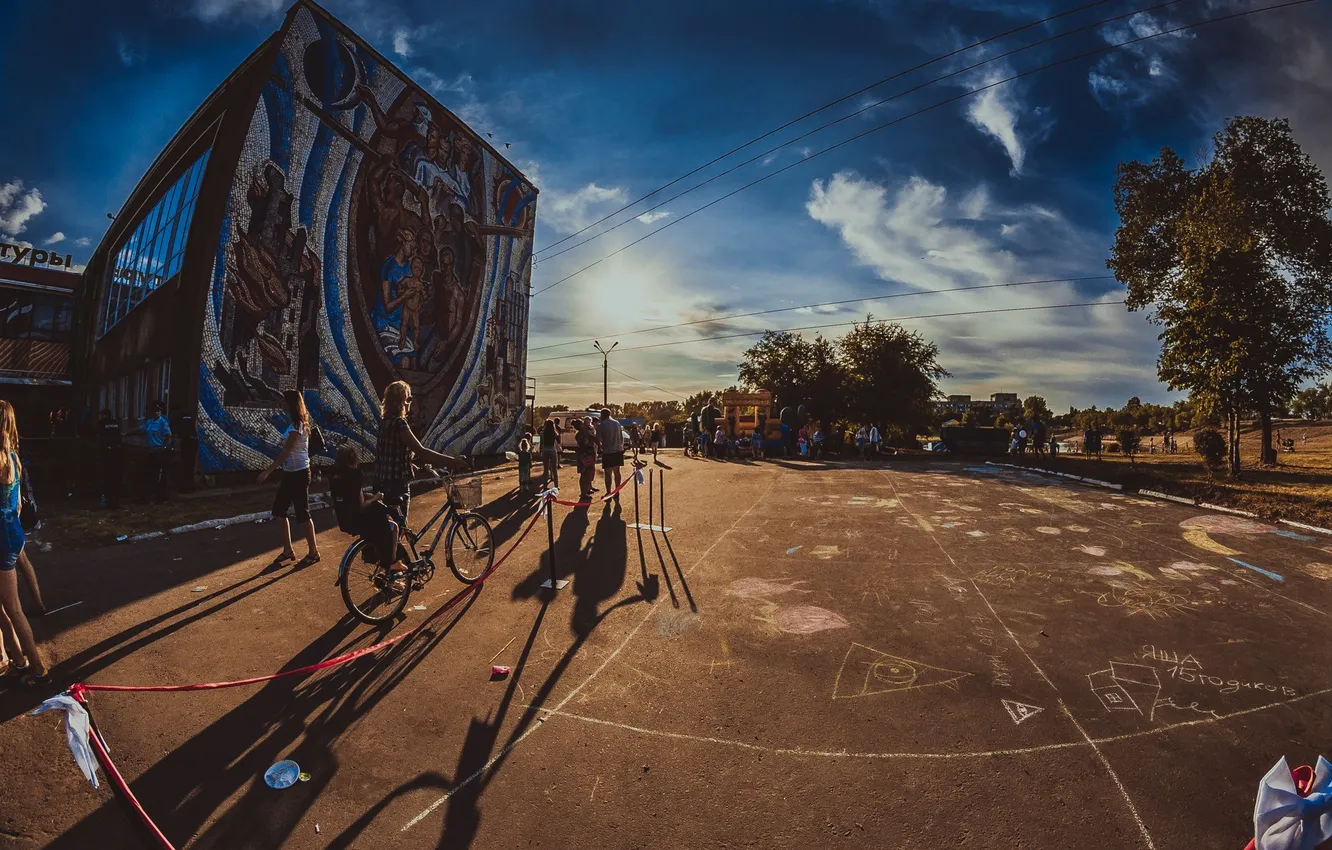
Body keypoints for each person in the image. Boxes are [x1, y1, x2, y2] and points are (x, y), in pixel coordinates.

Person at [0, 400, 49, 685]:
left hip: (2, 539)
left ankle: (38, 670)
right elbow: (17, 504)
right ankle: (18, 658)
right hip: (11, 532)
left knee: (13, 607)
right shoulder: (14, 458)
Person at [373, 380, 467, 528]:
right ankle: (395, 551)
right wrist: (452, 461)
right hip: (396, 486)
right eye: (409, 399)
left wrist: (412, 466)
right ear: (401, 401)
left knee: (385, 529)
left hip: (379, 484)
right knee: (399, 528)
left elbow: (390, 453)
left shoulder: (384, 423)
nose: (410, 403)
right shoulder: (399, 424)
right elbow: (421, 451)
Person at [257, 391, 321, 565]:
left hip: (299, 474)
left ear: (291, 404)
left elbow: (286, 452)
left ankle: (314, 551)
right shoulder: (293, 425)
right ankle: (288, 549)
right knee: (279, 511)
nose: (282, 404)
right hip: (290, 473)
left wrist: (267, 471)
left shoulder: (298, 426)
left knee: (303, 513)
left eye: (284, 402)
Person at [329, 445, 402, 577]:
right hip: (359, 519)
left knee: (374, 527)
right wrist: (376, 497)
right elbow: (362, 504)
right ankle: (391, 562)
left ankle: (370, 554)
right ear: (354, 460)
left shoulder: (335, 476)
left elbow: (350, 496)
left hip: (345, 520)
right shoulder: (355, 475)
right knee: (393, 526)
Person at [140, 400, 173, 502]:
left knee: (160, 474)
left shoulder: (163, 422)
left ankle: (161, 496)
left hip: (159, 451)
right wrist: (127, 433)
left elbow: (168, 435)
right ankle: (152, 495)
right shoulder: (150, 421)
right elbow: (141, 429)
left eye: (158, 411)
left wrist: (163, 447)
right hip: (152, 450)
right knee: (151, 473)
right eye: (154, 410)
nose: (156, 412)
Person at [96, 408, 124, 509]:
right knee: (116, 477)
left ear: (104, 415)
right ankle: (116, 500)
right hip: (117, 452)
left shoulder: (101, 424)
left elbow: (98, 436)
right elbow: (119, 436)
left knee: (107, 477)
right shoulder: (116, 423)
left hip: (107, 453)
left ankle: (109, 501)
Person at [596, 409, 625, 504]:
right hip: (618, 450)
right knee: (617, 472)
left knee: (608, 473)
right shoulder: (617, 423)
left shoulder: (602, 425)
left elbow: (598, 440)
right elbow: (621, 437)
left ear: (602, 415)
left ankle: (609, 492)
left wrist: (600, 446)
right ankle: (617, 491)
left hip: (608, 451)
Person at [575, 417, 597, 501]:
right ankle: (584, 493)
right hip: (588, 455)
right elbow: (594, 439)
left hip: (581, 454)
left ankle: (583, 492)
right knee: (587, 473)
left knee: (583, 474)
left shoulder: (578, 435)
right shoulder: (585, 433)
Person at [539, 419, 559, 489]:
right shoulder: (554, 432)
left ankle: (545, 486)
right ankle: (556, 485)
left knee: (545, 469)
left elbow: (541, 443)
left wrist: (540, 450)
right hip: (552, 450)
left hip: (545, 450)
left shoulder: (542, 433)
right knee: (554, 469)